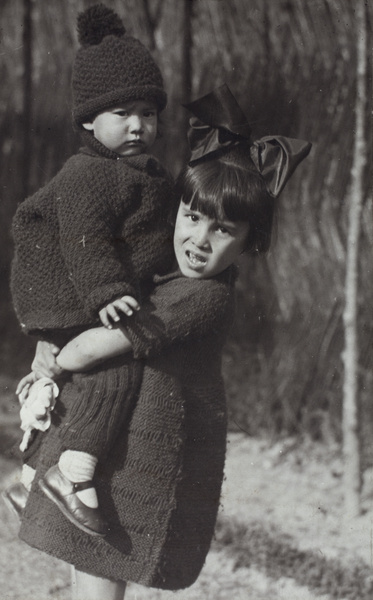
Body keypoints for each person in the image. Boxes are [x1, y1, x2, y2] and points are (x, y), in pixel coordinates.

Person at [17, 84, 311, 600]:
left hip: (143, 461)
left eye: (222, 230)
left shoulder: (203, 297)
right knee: (88, 565)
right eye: (192, 217)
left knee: (100, 572)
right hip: (124, 448)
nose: (198, 239)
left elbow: (92, 350)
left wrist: (52, 363)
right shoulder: (173, 281)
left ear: (250, 240)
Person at [3, 4, 175, 535]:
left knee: (98, 378)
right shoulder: (88, 174)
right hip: (66, 288)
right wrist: (106, 289)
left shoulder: (144, 174)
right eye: (122, 113)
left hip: (100, 289)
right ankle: (72, 474)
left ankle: (29, 482)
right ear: (87, 120)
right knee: (115, 369)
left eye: (148, 113)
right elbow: (86, 239)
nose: (137, 125)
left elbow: (154, 237)